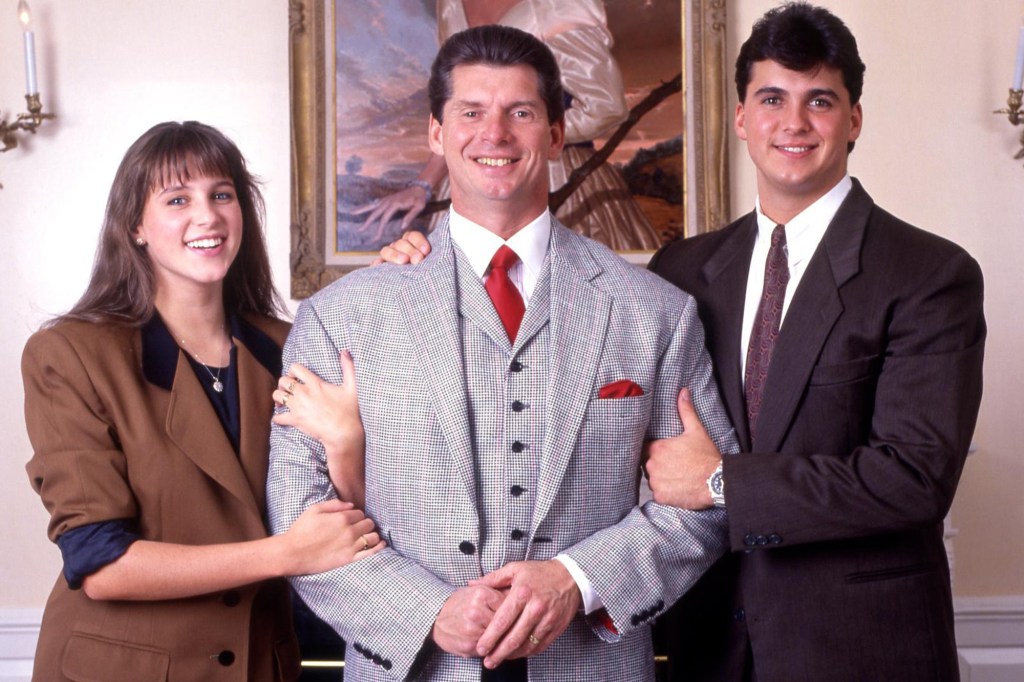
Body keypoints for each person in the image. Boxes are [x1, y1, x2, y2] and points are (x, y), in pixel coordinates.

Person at [267, 25, 736, 682]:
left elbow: (705, 505)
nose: (496, 134)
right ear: (436, 132)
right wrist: (427, 612)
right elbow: (299, 515)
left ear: (553, 130)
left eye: (520, 112)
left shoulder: (652, 310)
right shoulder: (343, 315)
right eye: (471, 112)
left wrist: (578, 580)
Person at [643, 4, 986, 681]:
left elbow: (912, 479)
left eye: (819, 100)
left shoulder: (929, 274)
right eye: (772, 98)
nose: (793, 123)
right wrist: (420, 263)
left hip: (861, 652)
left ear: (853, 119)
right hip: (706, 646)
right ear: (741, 117)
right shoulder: (681, 271)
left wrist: (720, 483)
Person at [22, 121, 383, 682]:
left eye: (222, 195)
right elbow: (100, 562)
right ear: (135, 226)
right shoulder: (69, 353)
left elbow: (354, 526)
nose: (208, 216)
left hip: (264, 664)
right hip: (118, 669)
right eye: (176, 199)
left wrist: (346, 441)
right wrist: (284, 554)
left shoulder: (293, 347)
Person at [353, 0, 663, 251]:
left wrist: (532, 136)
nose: (494, 133)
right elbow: (457, 111)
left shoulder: (560, 5)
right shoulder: (450, 5)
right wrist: (423, 184)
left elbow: (605, 106)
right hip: (472, 178)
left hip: (554, 175)